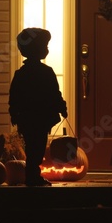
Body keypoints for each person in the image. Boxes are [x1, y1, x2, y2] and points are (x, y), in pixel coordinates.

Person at [9, 27, 68, 186]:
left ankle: (32, 174)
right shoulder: (46, 72)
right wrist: (62, 107)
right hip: (41, 117)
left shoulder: (21, 74)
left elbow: (14, 96)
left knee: (32, 146)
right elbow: (55, 93)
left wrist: (14, 113)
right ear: (38, 49)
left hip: (27, 117)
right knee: (38, 146)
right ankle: (33, 175)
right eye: (45, 46)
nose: (47, 49)